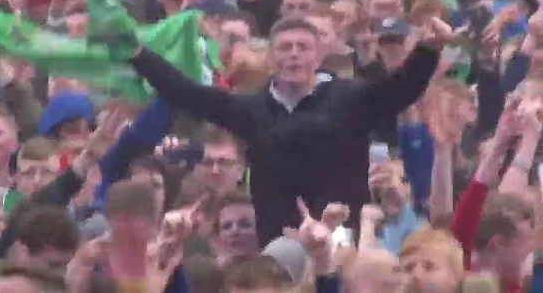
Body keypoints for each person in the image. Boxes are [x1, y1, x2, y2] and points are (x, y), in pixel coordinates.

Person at [125, 16, 442, 245]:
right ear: (271, 57)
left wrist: (428, 49)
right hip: (280, 247)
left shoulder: (352, 97)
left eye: (303, 47)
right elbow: (186, 93)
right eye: (285, 47)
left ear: (317, 55)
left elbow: (400, 89)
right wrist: (139, 54)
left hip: (345, 238)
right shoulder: (250, 110)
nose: (294, 54)